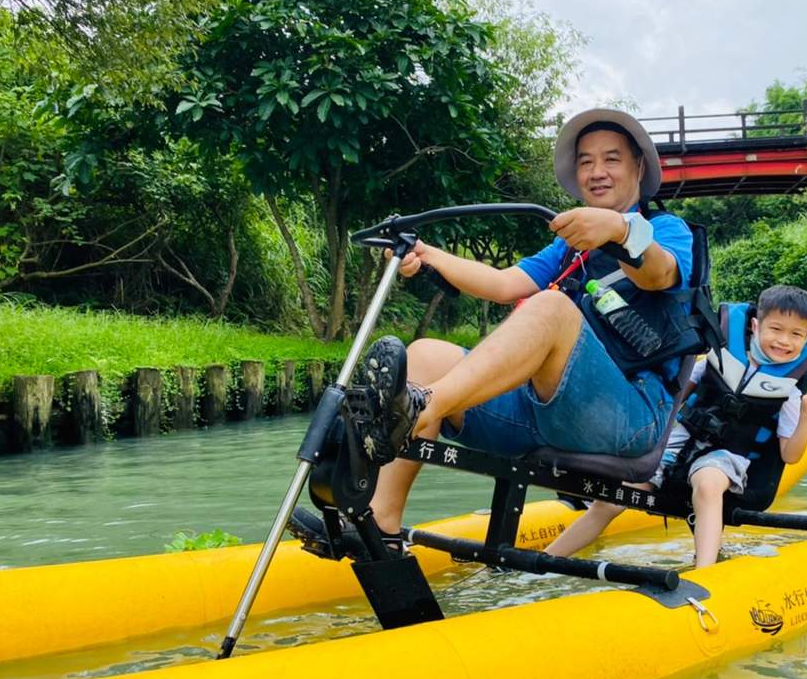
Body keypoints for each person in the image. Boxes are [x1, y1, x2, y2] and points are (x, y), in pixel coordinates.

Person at [290, 108, 704, 554]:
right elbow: (504, 284)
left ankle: (416, 411)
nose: (596, 171)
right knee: (427, 355)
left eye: (611, 159)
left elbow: (659, 275)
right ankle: (382, 528)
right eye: (585, 161)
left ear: (638, 167)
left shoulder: (665, 230)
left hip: (628, 419)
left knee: (551, 307)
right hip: (539, 412)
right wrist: (427, 254)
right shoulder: (569, 246)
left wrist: (621, 230)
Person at [545, 285, 807, 569]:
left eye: (796, 334)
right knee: (608, 502)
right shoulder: (719, 355)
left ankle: (705, 574)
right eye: (776, 329)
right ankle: (546, 560)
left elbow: (791, 455)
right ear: (755, 326)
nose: (784, 341)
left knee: (708, 482)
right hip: (678, 444)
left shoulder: (790, 389)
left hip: (727, 459)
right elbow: (673, 397)